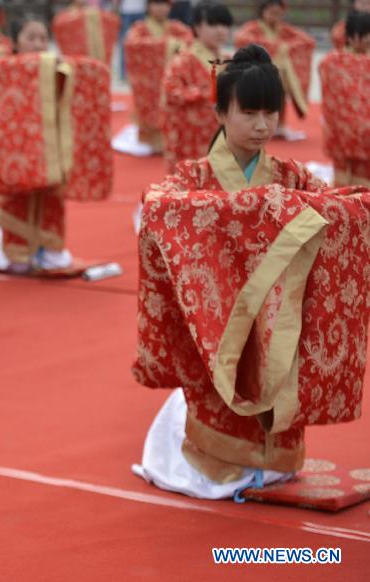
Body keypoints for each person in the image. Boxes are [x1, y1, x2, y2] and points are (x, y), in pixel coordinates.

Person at [133, 45, 370, 499]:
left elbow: (338, 209)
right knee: (222, 380)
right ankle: (219, 458)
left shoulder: (290, 175)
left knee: (276, 375)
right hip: (218, 311)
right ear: (221, 111)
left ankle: (273, 462)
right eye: (249, 113)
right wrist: (253, 209)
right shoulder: (194, 177)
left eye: (270, 114)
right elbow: (159, 203)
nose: (262, 126)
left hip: (278, 310)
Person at [0, 14, 112, 274]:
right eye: (31, 38)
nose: (39, 44)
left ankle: (47, 250)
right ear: (15, 42)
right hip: (18, 152)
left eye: (43, 38)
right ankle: (17, 253)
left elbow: (89, 73)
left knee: (50, 199)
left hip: (49, 152)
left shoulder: (56, 68)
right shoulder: (3, 67)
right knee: (18, 198)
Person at [161, 1, 232, 170]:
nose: (220, 30)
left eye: (224, 24)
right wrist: (206, 94)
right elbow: (171, 91)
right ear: (197, 27)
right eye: (213, 24)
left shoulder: (228, 60)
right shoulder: (184, 60)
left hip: (222, 132)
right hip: (191, 136)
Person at [118, 0, 193, 155]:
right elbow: (133, 45)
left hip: (172, 79)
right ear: (149, 6)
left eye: (165, 4)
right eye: (157, 3)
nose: (161, 8)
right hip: (149, 83)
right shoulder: (140, 28)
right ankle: (150, 141)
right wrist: (170, 46)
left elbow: (190, 41)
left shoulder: (176, 27)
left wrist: (171, 46)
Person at [234, 0, 315, 140]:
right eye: (271, 13)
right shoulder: (252, 28)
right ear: (262, 12)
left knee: (280, 91)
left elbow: (307, 41)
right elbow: (242, 40)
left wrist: (285, 48)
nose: (275, 17)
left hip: (279, 74)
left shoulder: (284, 30)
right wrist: (278, 48)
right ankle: (255, 126)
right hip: (257, 73)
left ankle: (280, 126)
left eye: (278, 13)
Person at [319, 10, 370, 186]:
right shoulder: (332, 62)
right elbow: (332, 97)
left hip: (363, 130)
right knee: (342, 174)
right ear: (352, 36)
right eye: (364, 35)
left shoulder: (332, 61)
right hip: (342, 129)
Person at [53, 0, 121, 65]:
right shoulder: (64, 17)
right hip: (75, 57)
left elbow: (112, 21)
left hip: (92, 56)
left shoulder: (94, 13)